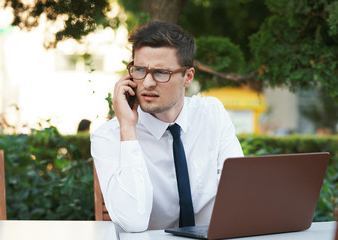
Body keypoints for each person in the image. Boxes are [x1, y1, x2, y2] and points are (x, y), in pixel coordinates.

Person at [90, 21, 244, 233]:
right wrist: (127, 128)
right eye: (140, 70)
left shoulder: (212, 114)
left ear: (188, 77)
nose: (147, 83)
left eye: (161, 72)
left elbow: (238, 193)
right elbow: (133, 222)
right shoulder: (108, 136)